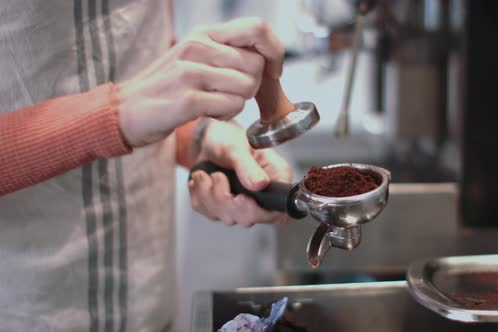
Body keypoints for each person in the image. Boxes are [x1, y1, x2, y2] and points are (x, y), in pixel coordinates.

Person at [0, 1, 291, 331]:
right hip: (25, 310)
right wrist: (116, 115)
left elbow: (137, 52)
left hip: (148, 300)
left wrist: (198, 135)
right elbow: (127, 105)